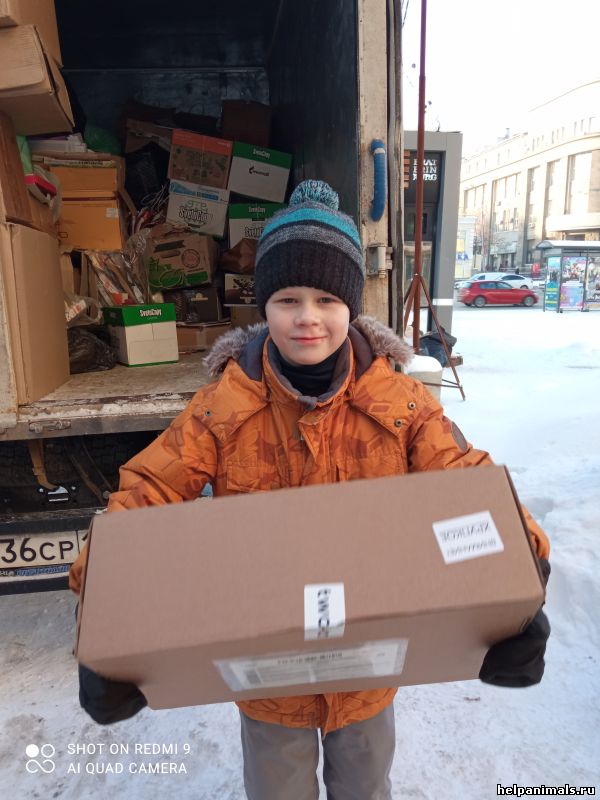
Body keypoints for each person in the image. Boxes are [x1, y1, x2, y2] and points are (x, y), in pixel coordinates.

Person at [70, 180, 550, 800]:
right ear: (263, 306)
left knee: (365, 787)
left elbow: (467, 479)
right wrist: (102, 620)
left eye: (326, 298)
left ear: (351, 305)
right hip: (269, 677)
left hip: (367, 670)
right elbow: (145, 495)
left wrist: (524, 572)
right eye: (287, 299)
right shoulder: (224, 408)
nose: (307, 317)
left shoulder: (401, 404)